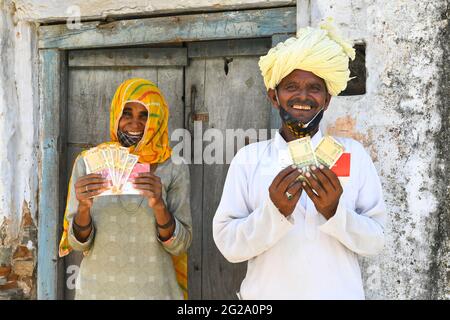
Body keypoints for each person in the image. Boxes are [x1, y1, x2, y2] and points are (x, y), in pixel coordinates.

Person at [212, 19, 386, 299]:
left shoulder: (352, 155)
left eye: (314, 88)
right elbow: (229, 245)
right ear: (274, 97)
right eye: (291, 86)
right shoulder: (249, 159)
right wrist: (274, 212)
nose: (302, 96)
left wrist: (334, 212)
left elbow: (376, 240)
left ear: (327, 100)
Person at [59, 78, 192, 300]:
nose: (135, 123)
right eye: (127, 113)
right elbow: (76, 242)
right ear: (116, 115)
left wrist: (159, 205)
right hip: (97, 292)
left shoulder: (173, 167)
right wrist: (83, 207)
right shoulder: (89, 163)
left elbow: (181, 245)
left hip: (156, 293)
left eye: (145, 116)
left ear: (157, 121)